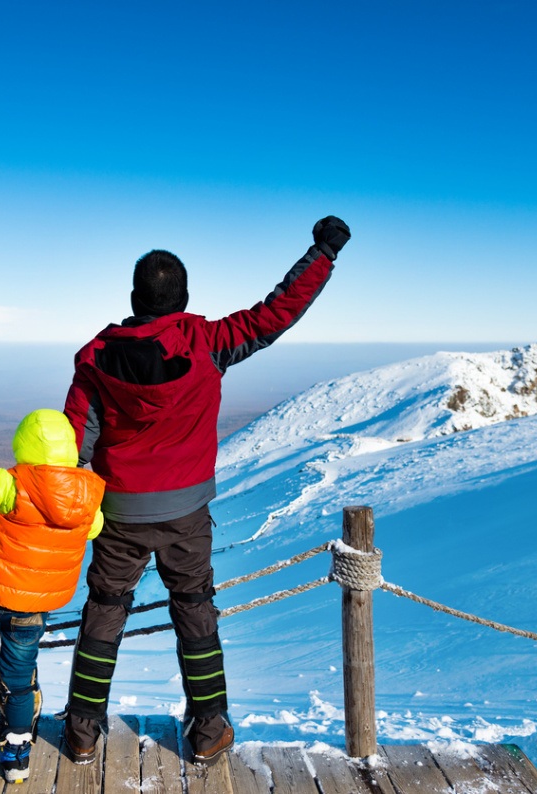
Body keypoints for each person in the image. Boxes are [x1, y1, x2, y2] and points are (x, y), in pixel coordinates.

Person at [60, 216, 352, 766]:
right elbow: (276, 313)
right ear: (185, 297)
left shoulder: (96, 357)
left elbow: (76, 439)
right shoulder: (207, 342)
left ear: (133, 297)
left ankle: (81, 730)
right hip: (188, 511)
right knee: (194, 607)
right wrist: (322, 254)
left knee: (104, 607)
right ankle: (209, 727)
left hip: (119, 511)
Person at [0, 372, 106, 784]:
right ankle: (16, 755)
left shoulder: (12, 487)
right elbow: (96, 528)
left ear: (24, 446)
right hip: (31, 612)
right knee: (17, 682)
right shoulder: (87, 499)